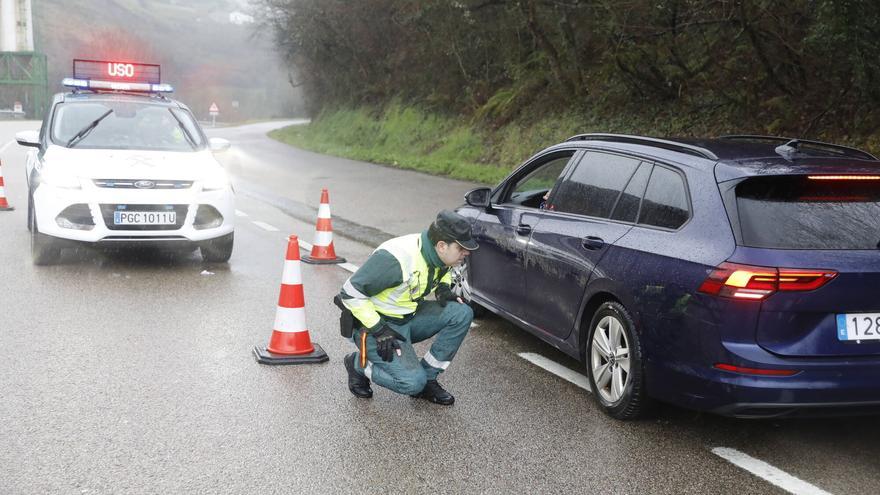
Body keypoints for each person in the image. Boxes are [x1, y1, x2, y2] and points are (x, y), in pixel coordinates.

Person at [338, 210, 478, 405]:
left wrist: (444, 288)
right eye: (461, 248)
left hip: (407, 316)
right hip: (376, 327)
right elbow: (349, 293)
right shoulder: (395, 259)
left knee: (461, 313)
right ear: (442, 245)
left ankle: (428, 378)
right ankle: (358, 365)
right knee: (412, 384)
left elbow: (442, 269)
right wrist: (378, 329)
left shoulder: (439, 253)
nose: (467, 253)